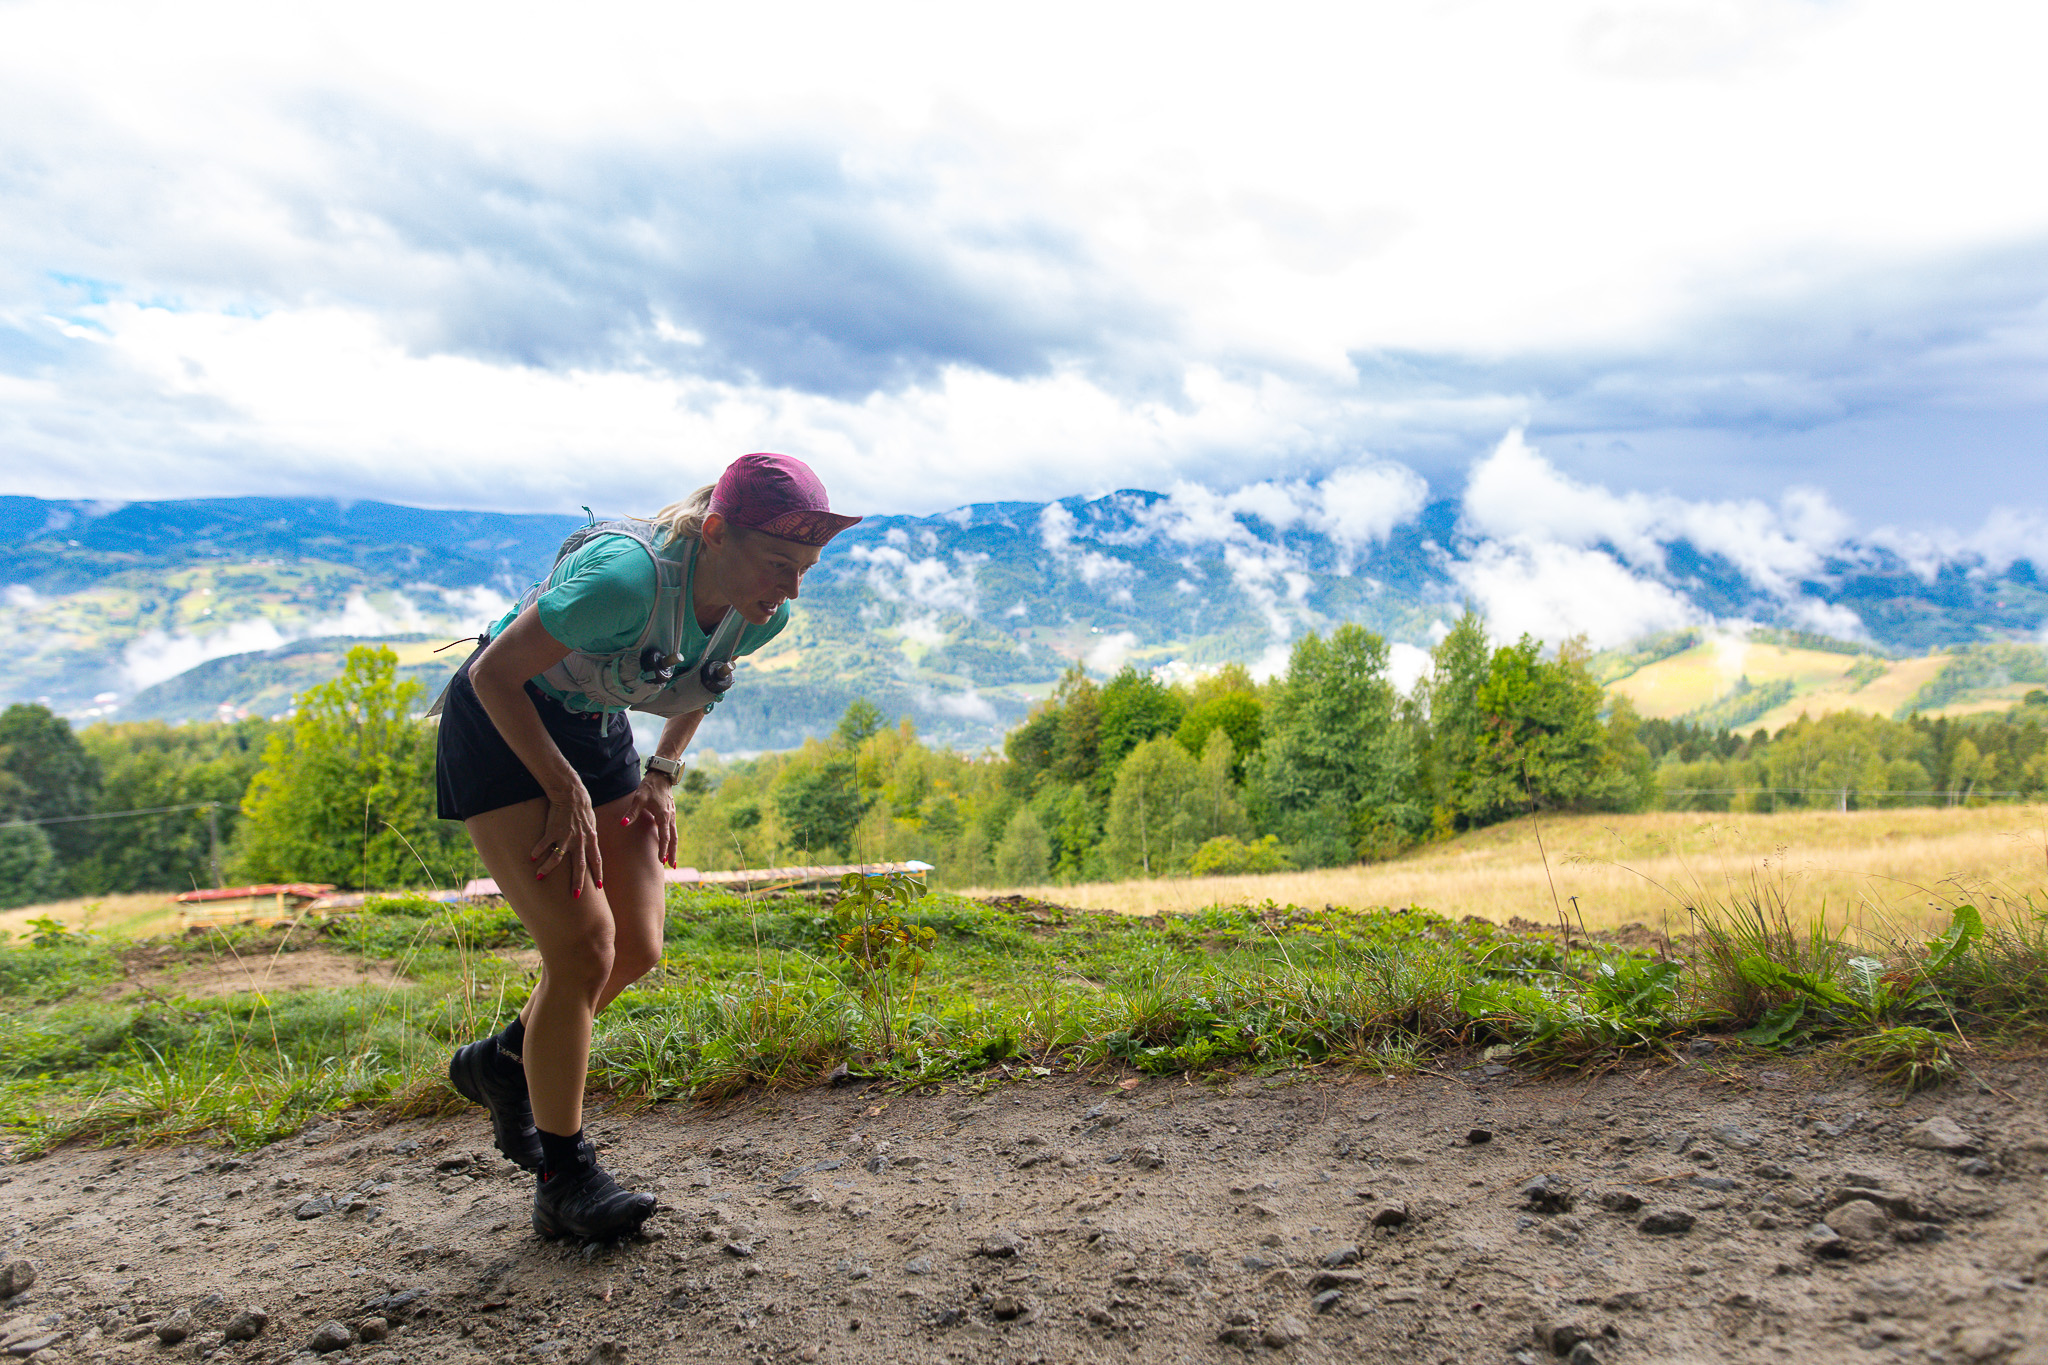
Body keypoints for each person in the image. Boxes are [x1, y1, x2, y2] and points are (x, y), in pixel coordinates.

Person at [434, 452, 860, 1240]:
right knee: (584, 948)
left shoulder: (762, 609)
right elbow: (493, 674)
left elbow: (709, 672)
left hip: (593, 725)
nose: (793, 589)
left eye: (806, 568)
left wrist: (662, 772)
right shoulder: (625, 581)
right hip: (503, 720)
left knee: (637, 943)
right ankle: (564, 1179)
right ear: (717, 532)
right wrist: (560, 785)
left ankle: (505, 1063)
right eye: (780, 563)